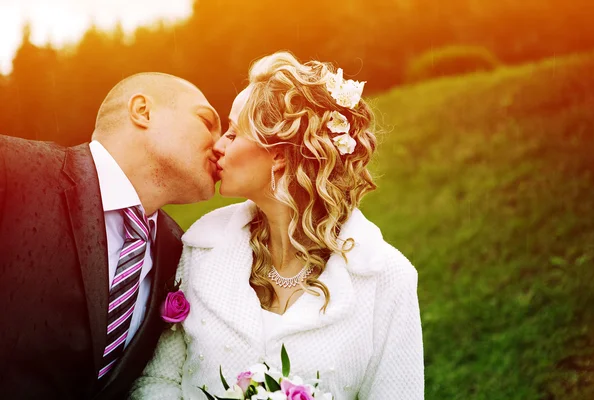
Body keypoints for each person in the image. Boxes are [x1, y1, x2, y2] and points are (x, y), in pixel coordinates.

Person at [131, 52, 424, 399]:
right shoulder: (200, 249)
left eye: (233, 133)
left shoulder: (387, 277)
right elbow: (157, 382)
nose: (218, 146)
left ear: (281, 153)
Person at [0, 72, 221, 399]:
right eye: (207, 122)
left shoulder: (181, 251)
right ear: (142, 111)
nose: (221, 145)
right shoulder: (13, 168)